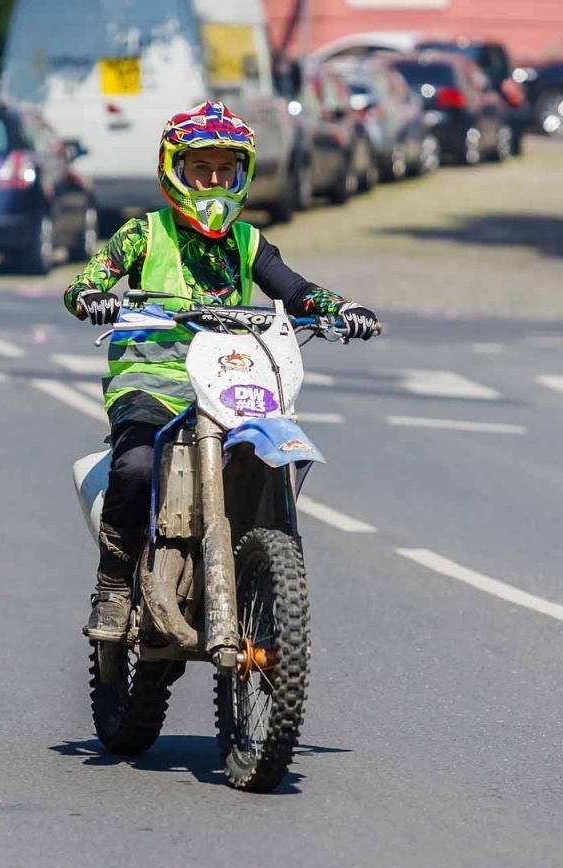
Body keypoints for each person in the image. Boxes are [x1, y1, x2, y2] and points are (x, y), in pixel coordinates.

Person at [64, 101, 381, 643]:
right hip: (152, 381)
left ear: (241, 175)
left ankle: (262, 569)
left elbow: (297, 291)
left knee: (266, 462)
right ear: (175, 171)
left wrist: (340, 309)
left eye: (224, 170)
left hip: (232, 382)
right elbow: (84, 283)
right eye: (200, 169)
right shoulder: (143, 233)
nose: (213, 181)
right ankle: (113, 587)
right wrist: (94, 298)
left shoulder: (248, 242)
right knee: (137, 466)